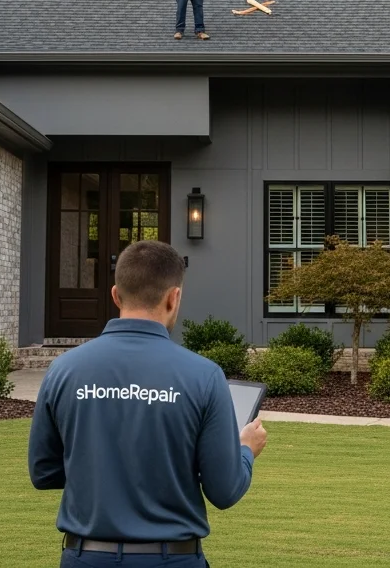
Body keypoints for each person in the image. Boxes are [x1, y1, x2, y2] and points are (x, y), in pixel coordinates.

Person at [28, 240, 267, 568]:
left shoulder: (64, 370)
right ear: (174, 297)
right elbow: (224, 490)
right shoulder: (204, 375)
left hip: (85, 558)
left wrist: (105, 466)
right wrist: (245, 450)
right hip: (171, 559)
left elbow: (44, 472)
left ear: (115, 295)